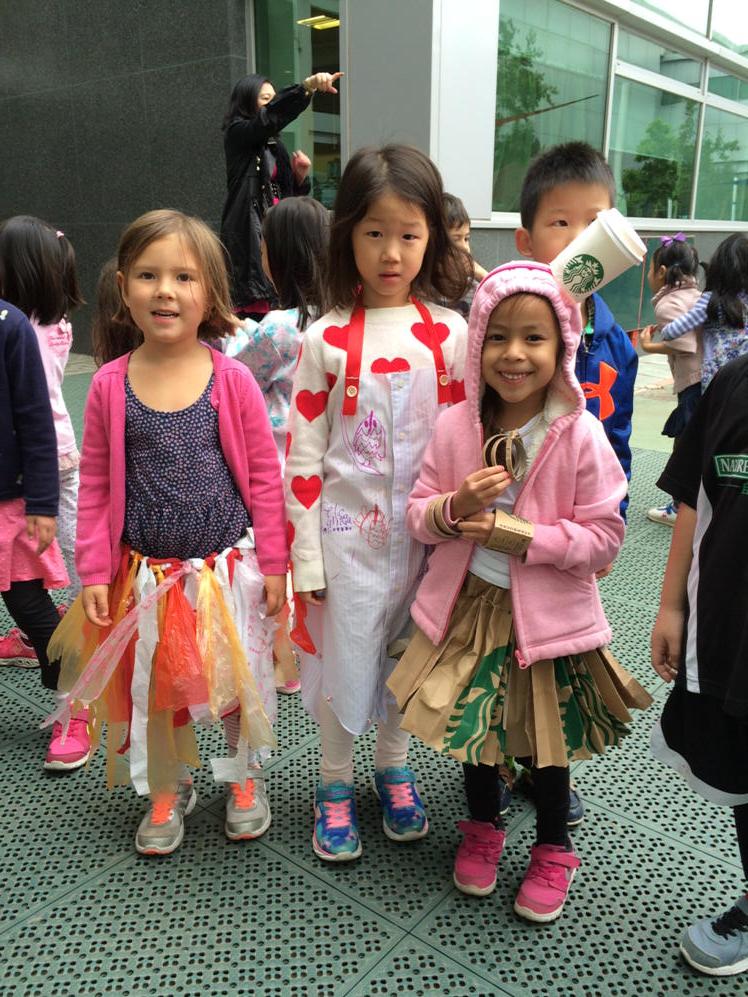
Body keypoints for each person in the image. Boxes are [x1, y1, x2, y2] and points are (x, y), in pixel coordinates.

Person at [388, 261, 652, 922]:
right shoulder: (455, 428)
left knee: (545, 741)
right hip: (471, 610)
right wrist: (454, 505)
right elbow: (419, 514)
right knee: (475, 732)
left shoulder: (581, 434)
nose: (514, 353)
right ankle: (482, 826)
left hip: (550, 620)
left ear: (561, 347)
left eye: (534, 338)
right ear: (478, 345)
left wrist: (518, 533)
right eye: (499, 336)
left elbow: (605, 538)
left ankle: (554, 846)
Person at [43, 209, 288, 856]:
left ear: (209, 291)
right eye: (149, 275)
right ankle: (164, 788)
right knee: (159, 692)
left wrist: (277, 565)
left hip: (226, 571)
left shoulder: (232, 380)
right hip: (145, 578)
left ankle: (241, 780)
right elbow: (95, 485)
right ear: (124, 288)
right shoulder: (109, 385)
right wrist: (93, 571)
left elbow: (265, 478)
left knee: (235, 686)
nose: (166, 290)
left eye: (184, 276)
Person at [284, 143, 469, 862]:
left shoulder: (450, 334)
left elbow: (467, 438)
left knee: (407, 660)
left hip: (429, 541)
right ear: (347, 234)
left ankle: (394, 766)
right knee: (345, 663)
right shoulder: (323, 338)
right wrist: (305, 557)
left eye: (409, 234)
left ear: (432, 237)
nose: (391, 252)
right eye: (374, 232)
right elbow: (302, 460)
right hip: (344, 543)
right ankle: (334, 782)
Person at [650, 355, 748, 977]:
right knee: (740, 774)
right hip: (730, 633)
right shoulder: (735, 381)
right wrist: (668, 604)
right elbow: (694, 494)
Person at [228, 195, 330, 695]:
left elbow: (236, 373)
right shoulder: (336, 324)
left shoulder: (278, 328)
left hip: (274, 467)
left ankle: (277, 656)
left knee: (272, 563)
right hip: (324, 468)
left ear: (278, 255)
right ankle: (308, 650)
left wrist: (235, 331)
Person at [515, 142, 638, 522]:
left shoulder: (617, 345)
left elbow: (617, 438)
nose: (579, 239)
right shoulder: (504, 332)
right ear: (526, 242)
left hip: (581, 519)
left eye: (594, 224)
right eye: (560, 223)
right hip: (512, 508)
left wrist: (613, 514)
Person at [0, 299, 84, 766]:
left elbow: (35, 419)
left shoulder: (9, 325)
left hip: (9, 502)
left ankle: (73, 703)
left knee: (31, 607)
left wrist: (40, 502)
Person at [0, 217, 84, 601]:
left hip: (36, 455)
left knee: (36, 545)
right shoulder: (57, 323)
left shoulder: (20, 328)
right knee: (71, 539)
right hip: (63, 445)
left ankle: (81, 617)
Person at [220, 70, 342, 319]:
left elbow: (287, 196)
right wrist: (305, 88)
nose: (272, 104)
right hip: (252, 233)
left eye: (273, 99)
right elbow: (268, 119)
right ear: (246, 100)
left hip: (277, 230)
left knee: (284, 302)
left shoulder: (275, 146)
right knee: (258, 309)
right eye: (266, 99)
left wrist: (299, 178)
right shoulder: (238, 134)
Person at [638, 235, 702, 527]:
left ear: (662, 272)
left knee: (686, 445)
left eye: (650, 270)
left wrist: (650, 347)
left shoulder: (668, 304)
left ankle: (679, 507)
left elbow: (684, 345)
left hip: (693, 382)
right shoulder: (696, 295)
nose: (650, 276)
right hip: (707, 379)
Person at [657, 232, 748, 392]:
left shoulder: (711, 299)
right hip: (742, 374)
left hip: (717, 378)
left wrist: (664, 332)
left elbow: (677, 329)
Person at [442, 192, 488, 319]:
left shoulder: (472, 288)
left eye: (466, 239)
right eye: (456, 239)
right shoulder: (420, 289)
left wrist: (482, 275)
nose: (465, 248)